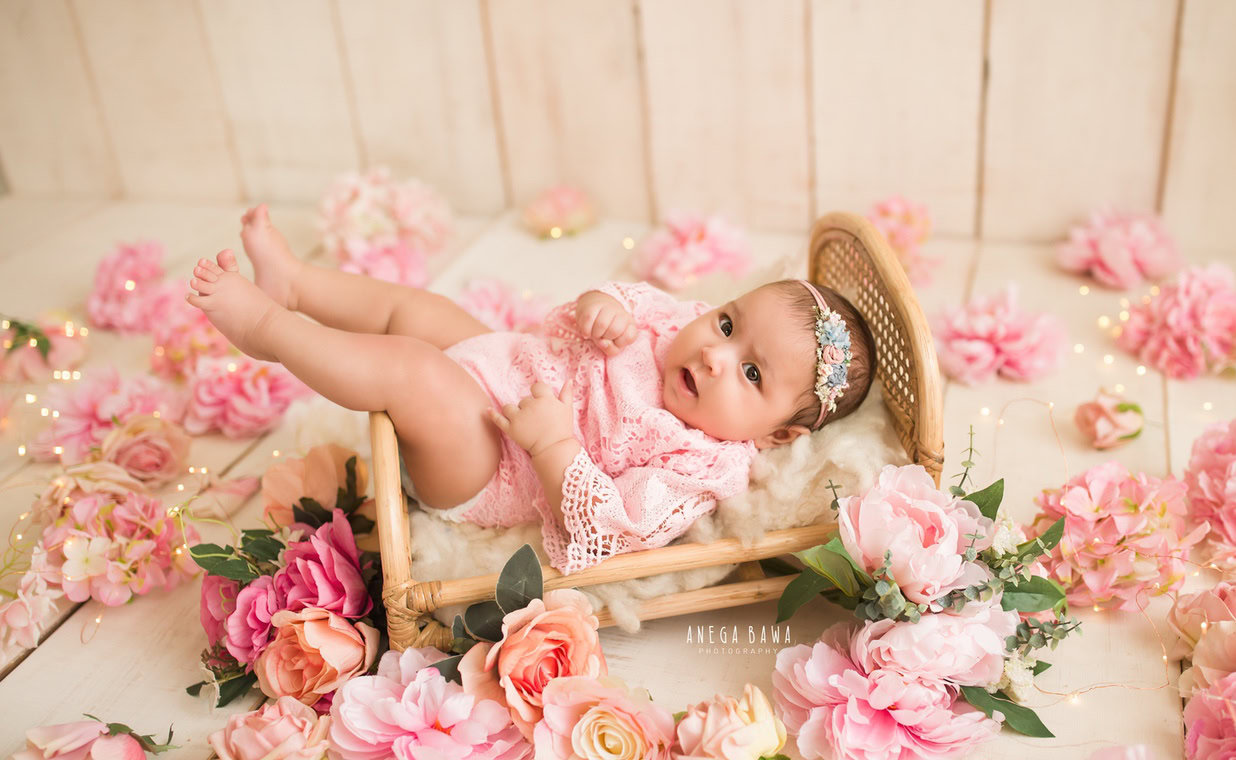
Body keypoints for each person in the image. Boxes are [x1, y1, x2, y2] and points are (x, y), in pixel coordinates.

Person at [187, 205, 877, 573]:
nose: (718, 353)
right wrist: (598, 306)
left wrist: (553, 445)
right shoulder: (671, 326)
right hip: (505, 361)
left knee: (412, 367)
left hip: (491, 461)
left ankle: (269, 327)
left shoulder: (703, 464)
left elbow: (610, 524)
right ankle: (299, 285)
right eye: (727, 322)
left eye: (752, 374)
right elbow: (624, 295)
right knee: (416, 311)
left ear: (779, 432)